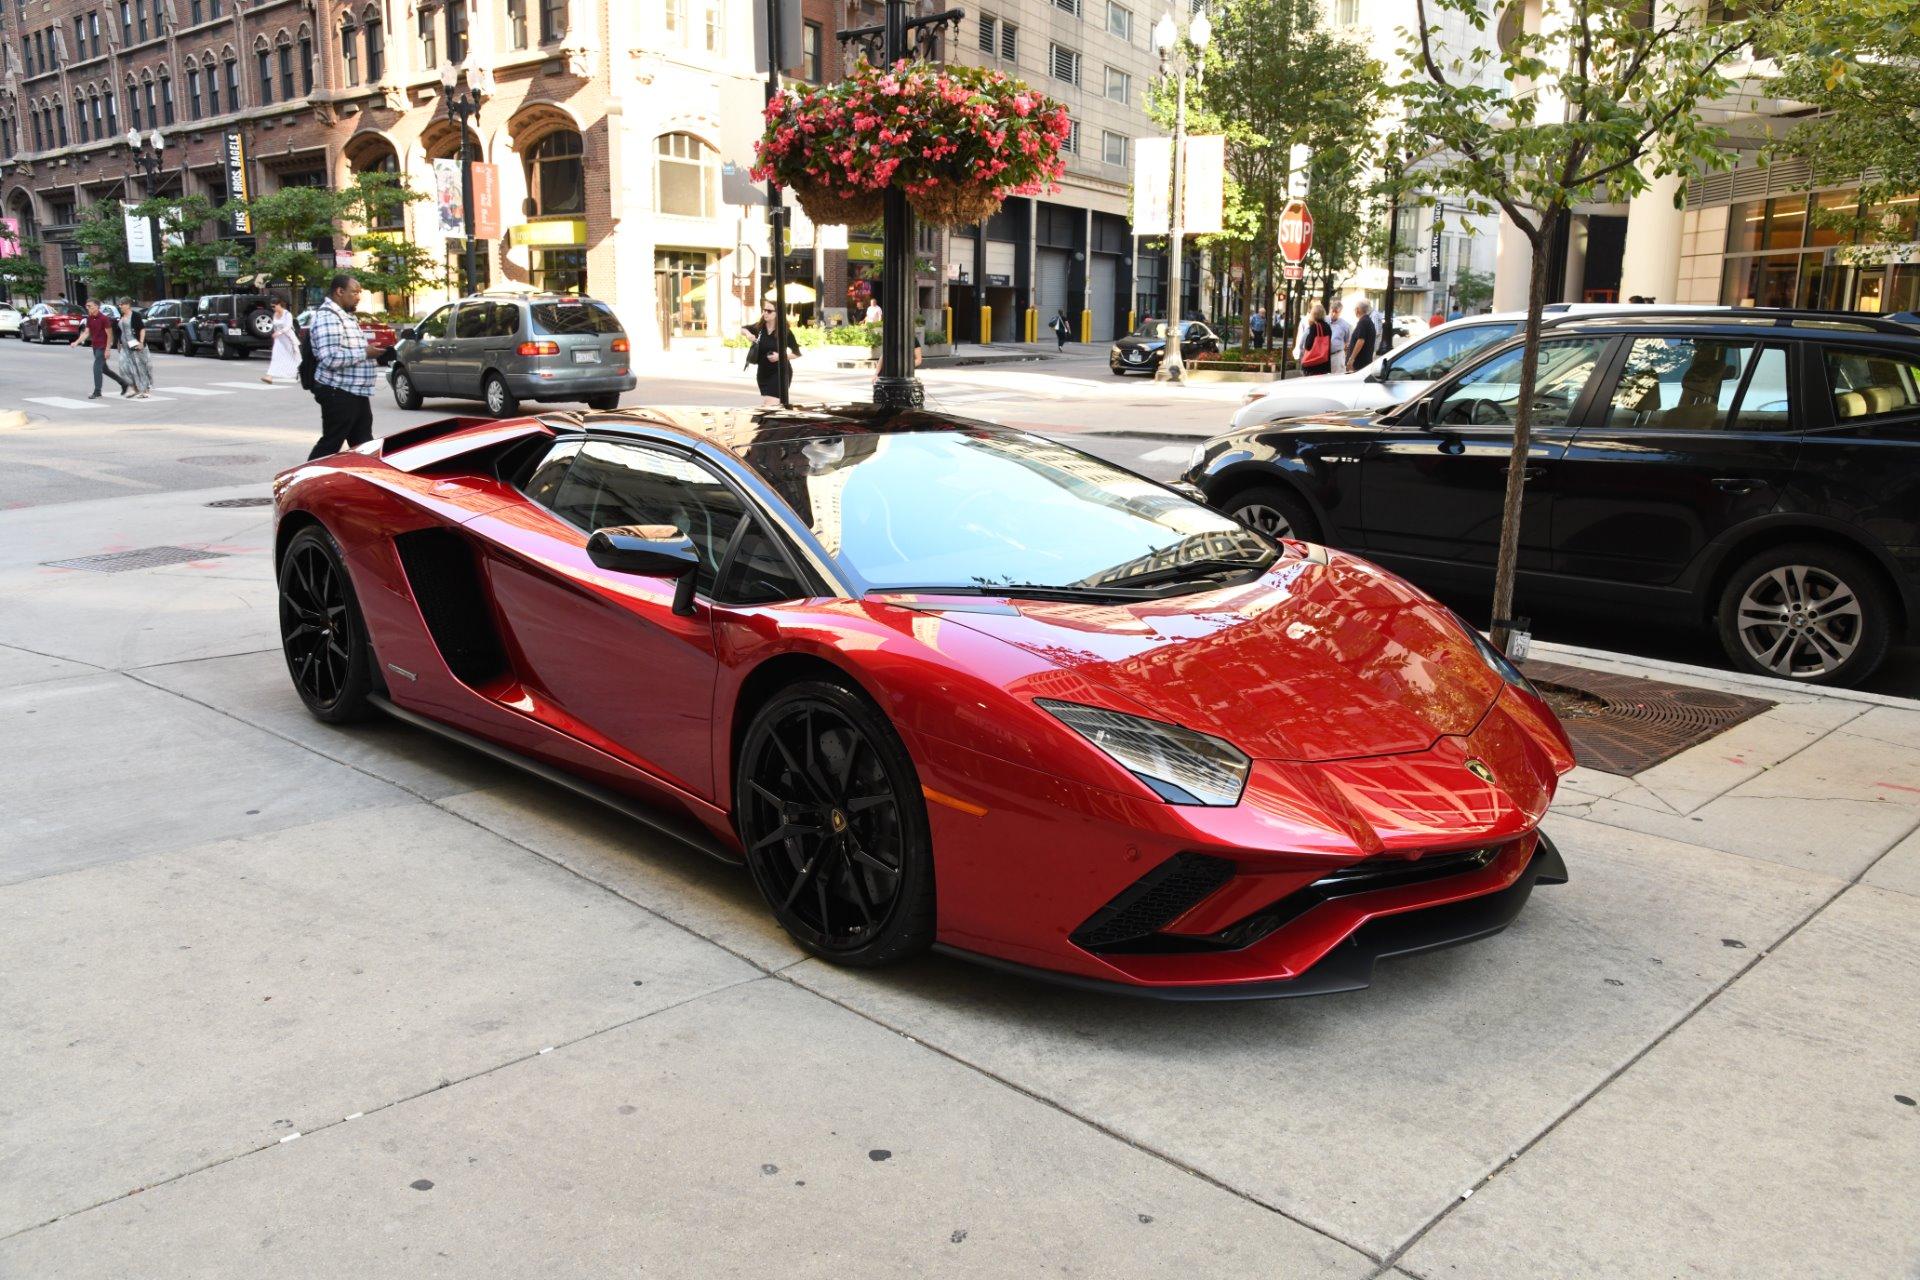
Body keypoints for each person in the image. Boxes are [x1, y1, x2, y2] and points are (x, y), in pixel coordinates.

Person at [306, 273, 378, 459]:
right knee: (331, 444)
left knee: (364, 445)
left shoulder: (344, 316)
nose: (358, 296)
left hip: (354, 391)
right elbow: (330, 358)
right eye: (354, 292)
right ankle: (306, 481)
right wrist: (365, 353)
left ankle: (368, 483)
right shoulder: (328, 317)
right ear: (339, 291)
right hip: (338, 391)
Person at [70, 299, 131, 399]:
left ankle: (97, 391)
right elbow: (86, 333)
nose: (88, 308)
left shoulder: (104, 319)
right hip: (95, 346)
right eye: (87, 306)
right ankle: (123, 383)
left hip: (103, 347)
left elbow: (110, 335)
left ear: (96, 307)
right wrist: (76, 342)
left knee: (96, 367)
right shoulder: (89, 318)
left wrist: (107, 349)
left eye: (90, 306)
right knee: (104, 369)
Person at [744, 303, 801, 407]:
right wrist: (748, 334)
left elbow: (797, 354)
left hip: (779, 372)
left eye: (769, 311)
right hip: (763, 373)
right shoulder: (759, 327)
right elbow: (743, 328)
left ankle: (764, 422)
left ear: (777, 313)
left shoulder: (784, 332)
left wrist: (780, 356)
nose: (765, 313)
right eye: (764, 310)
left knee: (769, 405)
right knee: (773, 406)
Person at [116, 297, 154, 399]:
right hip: (125, 347)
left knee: (139, 368)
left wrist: (141, 342)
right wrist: (118, 344)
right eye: (119, 304)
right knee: (123, 367)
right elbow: (120, 331)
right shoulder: (121, 315)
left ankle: (145, 390)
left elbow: (142, 329)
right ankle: (134, 388)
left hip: (136, 344)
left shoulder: (135, 315)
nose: (120, 306)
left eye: (121, 304)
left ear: (128, 305)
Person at [264, 299, 300, 385]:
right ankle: (269, 376)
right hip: (279, 340)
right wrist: (275, 334)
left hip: (288, 339)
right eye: (271, 306)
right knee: (275, 357)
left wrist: (279, 332)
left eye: (274, 306)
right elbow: (275, 326)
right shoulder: (275, 314)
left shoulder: (287, 314)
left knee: (295, 357)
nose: (273, 308)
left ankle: (300, 372)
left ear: (279, 305)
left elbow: (288, 326)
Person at [1295, 301, 1333, 376]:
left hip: (1313, 364)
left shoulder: (1314, 327)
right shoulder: (1327, 327)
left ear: (1313, 315)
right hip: (1324, 363)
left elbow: (1308, 346)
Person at [1347, 299, 1379, 373]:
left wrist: (1351, 359)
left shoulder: (1363, 322)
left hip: (1359, 363)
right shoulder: (1368, 321)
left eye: (1354, 309)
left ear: (1358, 310)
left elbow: (1360, 340)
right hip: (1365, 361)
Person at [1328, 299, 1352, 375]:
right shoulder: (1324, 321)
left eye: (1336, 312)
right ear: (1330, 310)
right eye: (1332, 311)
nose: (1333, 314)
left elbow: (1347, 341)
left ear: (1340, 312)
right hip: (1324, 356)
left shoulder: (1345, 325)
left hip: (1337, 356)